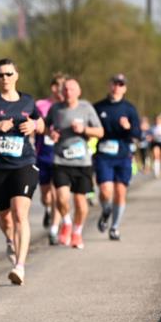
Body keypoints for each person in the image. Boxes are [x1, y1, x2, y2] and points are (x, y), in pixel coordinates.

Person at [0, 58, 43, 285]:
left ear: (17, 75)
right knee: (6, 220)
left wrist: (34, 126)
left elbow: (41, 123)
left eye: (8, 74)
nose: (4, 78)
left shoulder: (27, 101)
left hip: (23, 164)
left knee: (20, 213)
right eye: (0, 75)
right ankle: (9, 240)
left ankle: (20, 266)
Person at [45, 78, 103, 249]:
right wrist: (51, 134)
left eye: (71, 89)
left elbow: (100, 131)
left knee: (80, 202)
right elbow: (47, 128)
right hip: (60, 160)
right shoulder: (55, 109)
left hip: (82, 162)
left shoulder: (86, 108)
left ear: (79, 91)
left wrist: (84, 130)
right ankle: (67, 223)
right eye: (65, 90)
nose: (68, 93)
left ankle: (77, 232)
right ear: (61, 92)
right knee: (62, 198)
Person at [93, 74, 141, 242]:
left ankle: (114, 227)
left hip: (123, 154)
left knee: (120, 193)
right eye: (114, 83)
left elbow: (137, 134)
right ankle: (106, 210)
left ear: (125, 88)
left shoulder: (129, 109)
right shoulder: (98, 107)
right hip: (103, 154)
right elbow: (90, 127)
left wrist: (128, 128)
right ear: (109, 85)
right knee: (106, 191)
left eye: (121, 85)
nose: (117, 87)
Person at [35, 72, 65, 241]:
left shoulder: (66, 107)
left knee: (56, 193)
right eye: (60, 86)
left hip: (60, 155)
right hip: (43, 153)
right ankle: (47, 210)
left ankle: (54, 229)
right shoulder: (40, 105)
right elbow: (35, 125)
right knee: (46, 195)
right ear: (54, 87)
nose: (62, 90)